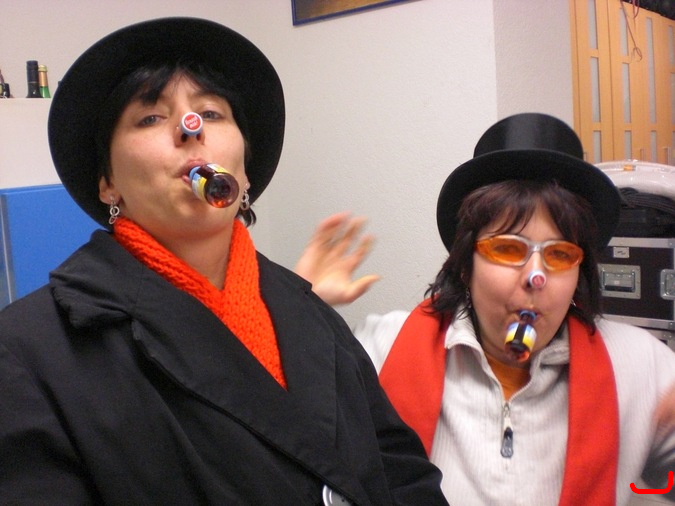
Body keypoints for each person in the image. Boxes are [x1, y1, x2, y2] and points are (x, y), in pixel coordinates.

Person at [0, 17, 448, 505]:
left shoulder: (308, 311)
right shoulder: (28, 350)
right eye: (150, 118)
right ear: (107, 183)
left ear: (244, 172)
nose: (189, 129)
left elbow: (401, 471)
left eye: (211, 112)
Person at [301, 113, 675, 505]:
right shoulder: (381, 349)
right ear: (466, 264)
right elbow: (286, 437)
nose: (536, 277)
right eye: (508, 249)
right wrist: (291, 301)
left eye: (560, 254)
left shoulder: (642, 368)